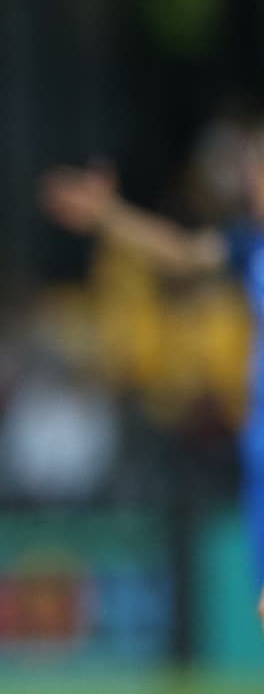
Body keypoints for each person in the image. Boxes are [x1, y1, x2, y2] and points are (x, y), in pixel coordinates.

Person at [41, 144, 264, 633]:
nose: (254, 183)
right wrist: (109, 215)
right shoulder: (250, 247)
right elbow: (181, 253)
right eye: (253, 170)